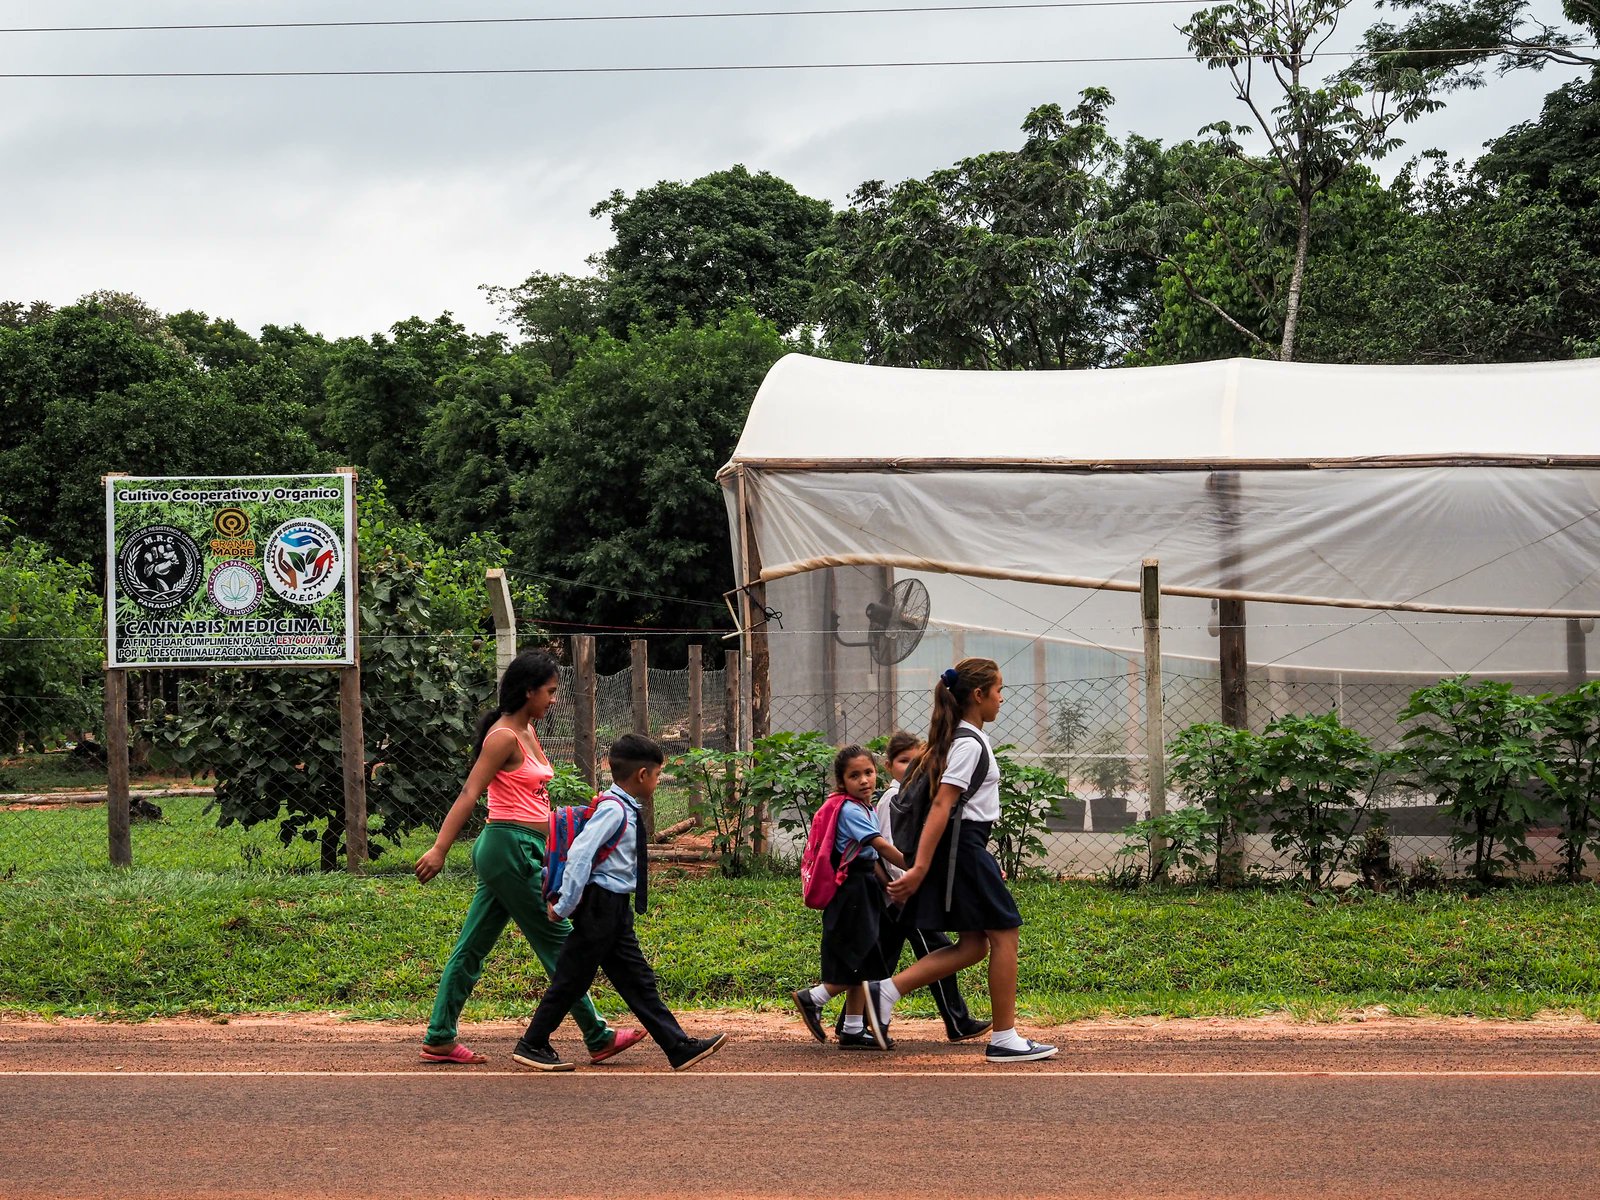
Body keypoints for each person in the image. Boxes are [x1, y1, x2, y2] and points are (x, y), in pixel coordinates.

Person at [414, 650, 641, 1067]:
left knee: (472, 946)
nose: (555, 699)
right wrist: (439, 849)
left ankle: (440, 1036)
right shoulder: (503, 737)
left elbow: (534, 796)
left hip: (522, 850)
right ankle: (598, 1034)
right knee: (560, 937)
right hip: (509, 849)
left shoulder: (528, 731)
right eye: (550, 692)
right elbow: (470, 793)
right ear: (528, 690)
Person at [869, 658, 1058, 1063]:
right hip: (965, 849)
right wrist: (919, 867)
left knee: (974, 945)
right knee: (1005, 934)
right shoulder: (969, 743)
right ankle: (1005, 1038)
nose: (1002, 699)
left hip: (968, 848)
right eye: (998, 690)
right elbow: (942, 805)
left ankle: (885, 991)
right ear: (978, 695)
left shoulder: (957, 738)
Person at [512, 733, 728, 1072]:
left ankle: (678, 1046)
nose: (656, 782)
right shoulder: (613, 810)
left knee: (636, 980)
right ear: (643, 775)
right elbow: (581, 854)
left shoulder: (621, 807)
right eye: (657, 775)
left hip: (614, 907)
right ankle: (533, 1042)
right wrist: (565, 904)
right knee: (573, 978)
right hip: (600, 906)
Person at [833, 730, 989, 1044]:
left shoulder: (909, 795)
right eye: (904, 761)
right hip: (902, 892)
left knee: (881, 959)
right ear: (889, 766)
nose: (911, 767)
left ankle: (850, 1022)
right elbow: (889, 850)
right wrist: (904, 886)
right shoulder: (894, 798)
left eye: (917, 762)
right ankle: (956, 1022)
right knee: (939, 951)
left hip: (900, 892)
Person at [792, 745, 907, 1050]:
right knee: (858, 958)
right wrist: (916, 867)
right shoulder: (851, 809)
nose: (864, 780)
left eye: (868, 772)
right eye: (854, 776)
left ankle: (853, 1029)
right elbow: (879, 846)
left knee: (867, 957)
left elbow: (870, 860)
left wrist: (889, 887)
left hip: (865, 886)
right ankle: (814, 997)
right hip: (851, 891)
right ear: (843, 782)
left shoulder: (865, 807)